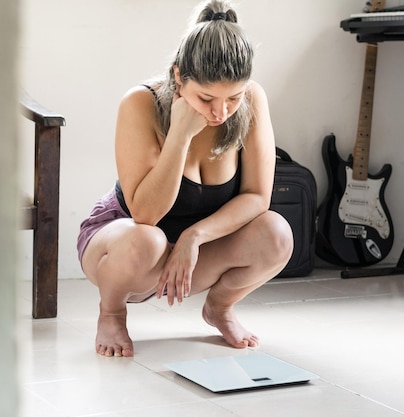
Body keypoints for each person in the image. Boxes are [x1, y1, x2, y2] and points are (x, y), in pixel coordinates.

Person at [76, 0, 293, 357]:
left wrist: (195, 236)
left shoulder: (253, 100)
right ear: (179, 76)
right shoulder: (140, 103)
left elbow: (257, 197)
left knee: (277, 234)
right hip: (127, 249)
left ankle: (219, 308)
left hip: (195, 255)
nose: (221, 112)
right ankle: (112, 312)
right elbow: (145, 213)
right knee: (146, 239)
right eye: (206, 98)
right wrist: (179, 135)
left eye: (233, 98)